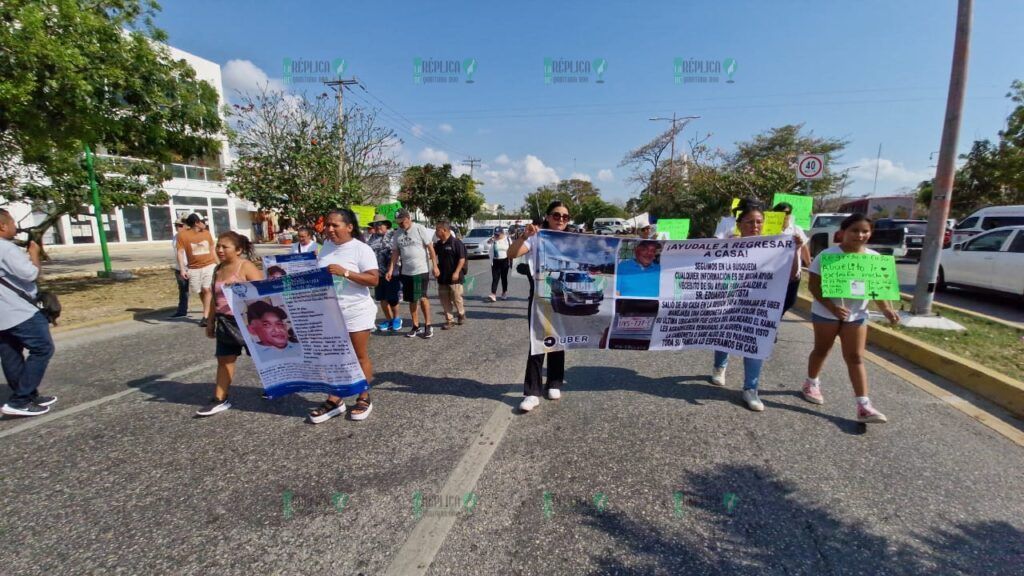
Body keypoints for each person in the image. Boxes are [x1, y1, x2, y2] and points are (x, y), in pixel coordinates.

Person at [804, 214, 900, 423]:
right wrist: (832, 307)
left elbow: (878, 289)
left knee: (855, 357)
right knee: (822, 350)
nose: (860, 235)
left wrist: (886, 309)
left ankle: (864, 405)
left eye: (865, 231)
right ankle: (811, 383)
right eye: (855, 230)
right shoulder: (827, 256)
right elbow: (813, 286)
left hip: (857, 315)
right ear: (843, 233)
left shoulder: (874, 258)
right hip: (826, 313)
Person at [708, 204, 795, 412]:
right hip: (730, 298)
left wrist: (797, 248)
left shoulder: (775, 246)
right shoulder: (729, 242)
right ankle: (720, 366)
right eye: (749, 222)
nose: (755, 226)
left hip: (759, 302)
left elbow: (791, 276)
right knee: (726, 334)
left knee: (755, 340)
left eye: (759, 222)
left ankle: (751, 389)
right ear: (739, 224)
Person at [308, 209, 379, 423]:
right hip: (330, 313)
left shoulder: (361, 249)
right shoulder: (325, 248)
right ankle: (335, 399)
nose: (329, 229)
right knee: (333, 357)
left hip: (356, 311)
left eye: (335, 225)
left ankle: (363, 396)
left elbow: (374, 280)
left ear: (349, 227)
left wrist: (345, 272)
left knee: (358, 356)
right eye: (327, 225)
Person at [506, 201, 572, 413]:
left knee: (558, 340)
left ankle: (554, 382)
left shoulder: (572, 239)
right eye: (556, 215)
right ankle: (532, 392)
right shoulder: (536, 237)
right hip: (540, 298)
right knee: (538, 344)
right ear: (547, 216)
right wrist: (524, 236)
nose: (560, 219)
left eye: (565, 216)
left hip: (564, 298)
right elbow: (511, 254)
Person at [196, 232, 264, 416]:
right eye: (218, 246)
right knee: (224, 360)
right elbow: (213, 298)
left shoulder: (246, 266)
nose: (219, 250)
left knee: (262, 359)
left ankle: (276, 386)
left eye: (224, 247)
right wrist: (210, 321)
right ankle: (220, 398)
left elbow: (263, 293)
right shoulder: (218, 269)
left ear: (239, 250)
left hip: (249, 322)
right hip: (225, 322)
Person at [0, 209, 56, 417]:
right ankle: (20, 399)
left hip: (2, 313)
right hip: (19, 310)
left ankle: (27, 395)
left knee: (10, 354)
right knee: (42, 349)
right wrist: (34, 254)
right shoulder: (6, 248)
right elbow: (30, 273)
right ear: (3, 226)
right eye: (13, 222)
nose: (15, 226)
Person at [387, 209, 439, 339]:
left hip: (420, 270)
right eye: (398, 222)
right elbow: (395, 253)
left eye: (403, 221)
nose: (401, 224)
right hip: (406, 272)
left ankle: (428, 325)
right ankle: (415, 326)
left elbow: (430, 248)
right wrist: (390, 269)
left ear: (408, 218)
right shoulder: (397, 233)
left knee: (422, 297)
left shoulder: (419, 228)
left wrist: (435, 266)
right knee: (411, 299)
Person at [177, 213, 218, 327]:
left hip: (209, 265)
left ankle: (206, 317)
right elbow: (180, 252)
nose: (203, 223)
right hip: (193, 268)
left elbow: (212, 249)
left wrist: (218, 264)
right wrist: (182, 269)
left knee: (207, 289)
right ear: (196, 223)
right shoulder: (183, 236)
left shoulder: (207, 233)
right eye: (201, 221)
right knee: (200, 291)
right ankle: (210, 311)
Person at [774, 202, 811, 315]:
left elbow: (804, 248)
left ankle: (776, 319)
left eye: (787, 212)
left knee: (789, 301)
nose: (784, 215)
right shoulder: (768, 229)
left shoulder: (796, 229)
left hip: (793, 275)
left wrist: (809, 264)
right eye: (781, 212)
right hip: (775, 274)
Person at [366, 217, 402, 332]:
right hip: (377, 273)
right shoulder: (371, 238)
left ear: (386, 225)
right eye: (375, 225)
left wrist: (390, 269)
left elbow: (396, 253)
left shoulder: (393, 236)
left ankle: (397, 318)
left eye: (380, 225)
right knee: (381, 298)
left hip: (392, 272)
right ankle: (389, 319)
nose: (378, 227)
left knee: (392, 298)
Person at [434, 221, 467, 330]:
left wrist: (457, 272)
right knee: (444, 299)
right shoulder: (438, 244)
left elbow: (462, 259)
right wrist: (435, 268)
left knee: (456, 297)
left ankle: (461, 313)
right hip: (442, 277)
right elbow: (433, 256)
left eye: (437, 230)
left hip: (455, 276)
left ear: (444, 230)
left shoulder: (456, 243)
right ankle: (449, 320)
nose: (435, 232)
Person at [170, 218, 190, 318]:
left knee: (203, 290)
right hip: (180, 268)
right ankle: (182, 310)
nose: (178, 227)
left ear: (187, 226)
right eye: (176, 225)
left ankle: (209, 311)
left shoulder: (191, 237)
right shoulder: (175, 237)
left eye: (180, 225)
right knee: (183, 289)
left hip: (192, 267)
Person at [488, 226, 511, 301]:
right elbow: (487, 243)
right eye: (496, 234)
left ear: (502, 233)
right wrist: (491, 240)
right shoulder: (493, 239)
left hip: (505, 260)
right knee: (495, 278)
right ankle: (493, 294)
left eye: (498, 234)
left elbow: (511, 249)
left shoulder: (507, 239)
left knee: (504, 278)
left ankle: (504, 293)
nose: (497, 235)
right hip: (495, 261)